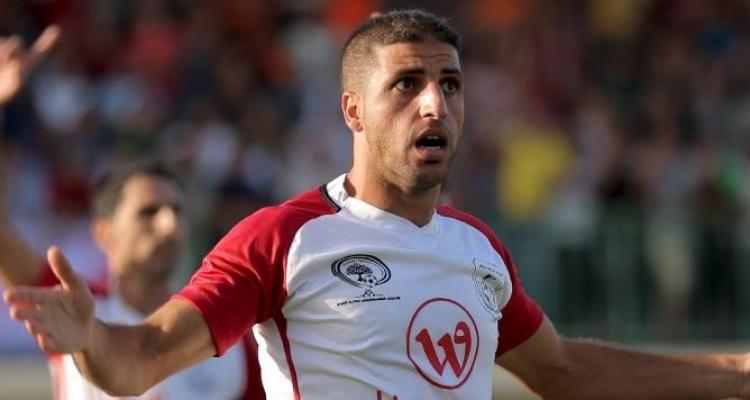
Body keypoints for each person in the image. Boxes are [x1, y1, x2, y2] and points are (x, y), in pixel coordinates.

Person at [4, 10, 750, 400]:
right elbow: (139, 361)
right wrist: (88, 339)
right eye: (407, 85)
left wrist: (736, 371)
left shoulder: (478, 248)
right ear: (352, 110)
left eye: (450, 84)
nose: (435, 104)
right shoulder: (281, 239)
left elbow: (565, 373)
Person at [0, 27, 264, 400]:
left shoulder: (229, 337)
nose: (169, 224)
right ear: (104, 232)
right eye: (148, 212)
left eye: (176, 210)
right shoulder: (69, 306)